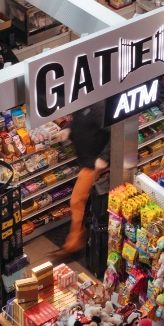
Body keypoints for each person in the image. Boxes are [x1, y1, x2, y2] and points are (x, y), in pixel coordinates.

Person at [50, 102, 110, 258]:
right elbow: (80, 121)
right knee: (87, 202)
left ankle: (74, 244)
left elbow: (115, 132)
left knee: (77, 202)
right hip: (86, 161)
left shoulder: (101, 109)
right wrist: (68, 129)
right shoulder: (83, 102)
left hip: (94, 166)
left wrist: (104, 157)